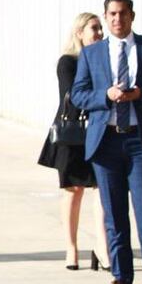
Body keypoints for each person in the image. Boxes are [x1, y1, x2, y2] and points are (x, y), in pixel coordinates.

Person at [71, 0, 142, 284]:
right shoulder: (92, 54)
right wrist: (105, 96)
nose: (117, 19)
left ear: (132, 16)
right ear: (106, 15)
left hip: (141, 142)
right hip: (107, 142)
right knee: (114, 214)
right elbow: (79, 94)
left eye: (123, 13)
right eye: (111, 14)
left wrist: (141, 95)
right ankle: (122, 277)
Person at [37, 13, 109, 270]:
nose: (99, 33)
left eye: (101, 28)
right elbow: (74, 95)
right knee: (73, 191)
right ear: (79, 32)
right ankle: (72, 247)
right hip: (72, 133)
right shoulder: (68, 62)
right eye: (94, 28)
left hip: (99, 131)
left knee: (102, 190)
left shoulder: (105, 59)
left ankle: (102, 247)